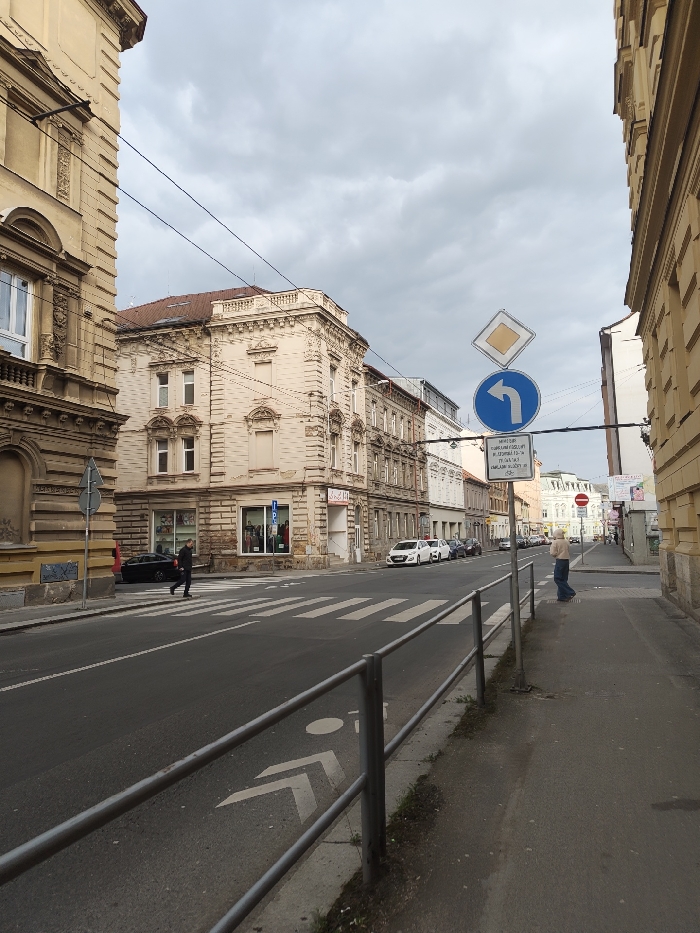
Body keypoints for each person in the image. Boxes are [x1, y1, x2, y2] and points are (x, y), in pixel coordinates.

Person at [550, 528, 576, 602]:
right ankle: (562, 596)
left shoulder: (555, 542)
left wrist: (556, 555)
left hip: (560, 560)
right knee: (563, 579)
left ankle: (570, 592)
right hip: (566, 560)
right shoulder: (566, 541)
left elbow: (552, 553)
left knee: (557, 579)